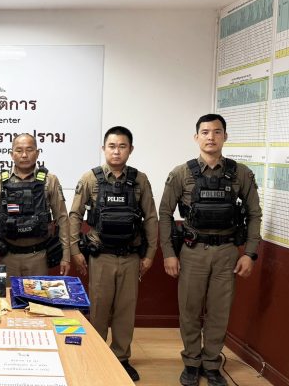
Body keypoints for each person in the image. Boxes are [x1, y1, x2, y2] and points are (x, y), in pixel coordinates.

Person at [159, 114, 262, 386]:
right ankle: (192, 363)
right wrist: (169, 253)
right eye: (205, 132)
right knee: (190, 310)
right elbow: (165, 214)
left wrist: (250, 253)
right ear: (196, 137)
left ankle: (212, 364)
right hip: (192, 251)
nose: (211, 137)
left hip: (227, 252)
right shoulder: (181, 173)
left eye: (217, 132)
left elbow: (254, 214)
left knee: (219, 311)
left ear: (225, 136)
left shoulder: (241, 173)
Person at [69, 126, 158, 382]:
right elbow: (75, 215)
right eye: (112, 146)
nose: (116, 151)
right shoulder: (90, 178)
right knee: (99, 308)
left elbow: (151, 217)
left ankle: (121, 358)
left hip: (131, 256)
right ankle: (97, 355)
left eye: (122, 146)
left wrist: (150, 253)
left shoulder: (140, 180)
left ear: (130, 149)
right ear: (103, 148)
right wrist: (75, 250)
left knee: (125, 310)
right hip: (101, 256)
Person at [0, 133, 71, 276]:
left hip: (38, 257)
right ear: (12, 154)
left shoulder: (50, 180)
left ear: (37, 153)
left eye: (29, 150)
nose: (24, 155)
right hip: (8, 257)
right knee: (8, 292)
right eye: (19, 150)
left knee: (37, 292)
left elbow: (62, 218)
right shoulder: (1, 181)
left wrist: (66, 256)